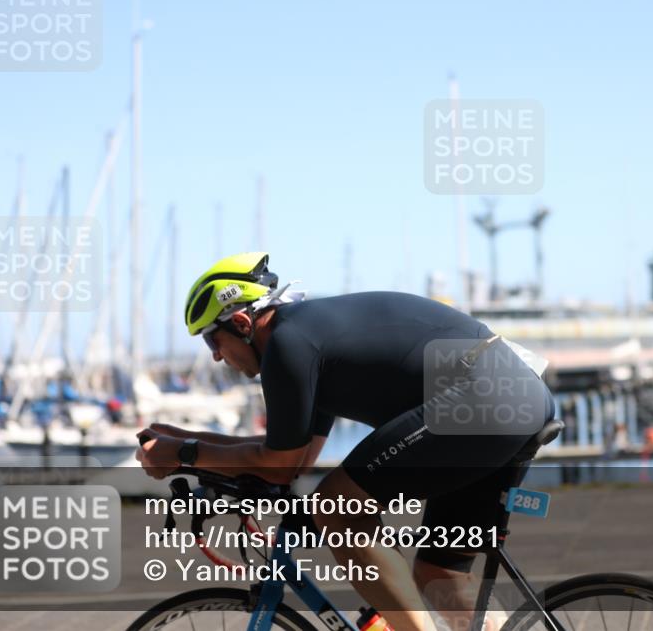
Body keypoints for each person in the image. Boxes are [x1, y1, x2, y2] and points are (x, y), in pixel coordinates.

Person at [136, 252, 555, 631]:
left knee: (337, 511)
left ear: (242, 324)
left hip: (483, 401)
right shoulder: (307, 341)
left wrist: (185, 453)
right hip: (512, 399)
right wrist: (184, 442)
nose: (214, 355)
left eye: (212, 339)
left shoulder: (288, 344)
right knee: (438, 575)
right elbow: (293, 457)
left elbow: (278, 464)